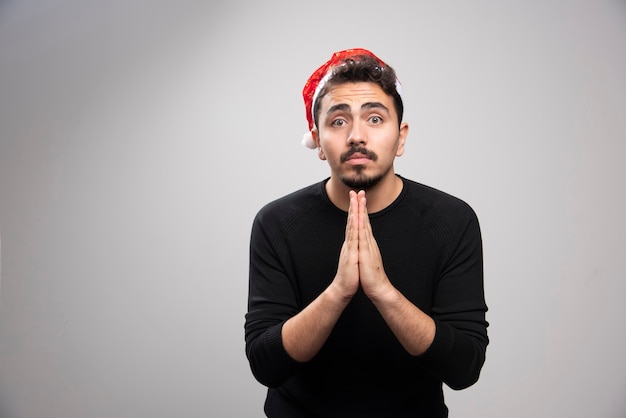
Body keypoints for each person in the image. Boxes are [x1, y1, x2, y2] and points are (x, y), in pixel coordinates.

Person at [244, 48, 489, 417]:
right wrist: (339, 292)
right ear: (318, 140)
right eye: (338, 122)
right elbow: (266, 366)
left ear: (401, 137)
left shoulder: (452, 221)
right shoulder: (277, 222)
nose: (357, 135)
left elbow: (464, 369)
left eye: (375, 118)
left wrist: (383, 293)